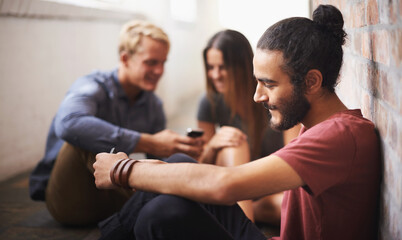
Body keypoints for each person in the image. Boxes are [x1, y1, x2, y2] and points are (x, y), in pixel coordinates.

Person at [93, 5, 381, 240]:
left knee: (163, 214)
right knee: (179, 163)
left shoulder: (341, 135)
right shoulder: (318, 127)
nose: (258, 96)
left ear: (312, 82)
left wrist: (124, 170)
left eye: (268, 84)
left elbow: (225, 185)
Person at [28, 20, 203, 226]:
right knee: (84, 137)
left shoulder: (152, 104)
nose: (159, 71)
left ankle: (170, 207)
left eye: (163, 62)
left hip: (113, 198)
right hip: (70, 201)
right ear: (125, 58)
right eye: (151, 62)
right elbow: (68, 123)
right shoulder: (92, 86)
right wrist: (148, 142)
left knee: (171, 169)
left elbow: (159, 162)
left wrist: (183, 155)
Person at [196, 29, 296, 224]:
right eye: (210, 67)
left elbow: (293, 164)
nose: (215, 75)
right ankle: (246, 228)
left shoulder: (274, 99)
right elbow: (201, 169)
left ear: (241, 66)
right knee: (234, 141)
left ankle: (243, 215)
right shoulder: (209, 102)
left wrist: (256, 194)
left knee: (292, 207)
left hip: (270, 190)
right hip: (231, 187)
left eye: (222, 67)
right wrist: (212, 144)